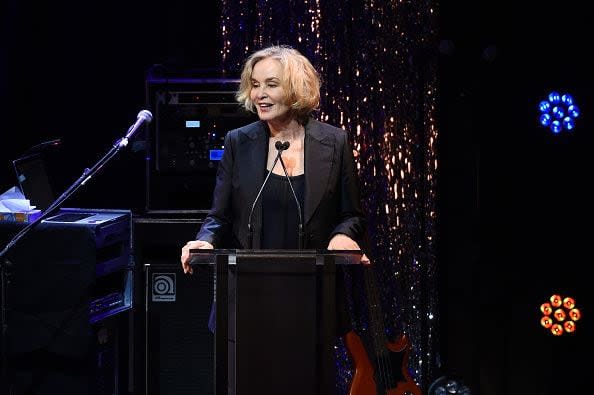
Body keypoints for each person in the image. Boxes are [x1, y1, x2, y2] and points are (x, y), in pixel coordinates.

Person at [180, 44, 368, 268]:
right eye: (255, 85)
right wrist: (205, 240)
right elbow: (219, 216)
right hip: (249, 283)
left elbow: (352, 215)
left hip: (313, 284)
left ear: (296, 88)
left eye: (271, 85)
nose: (260, 94)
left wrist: (342, 236)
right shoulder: (238, 142)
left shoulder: (335, 142)